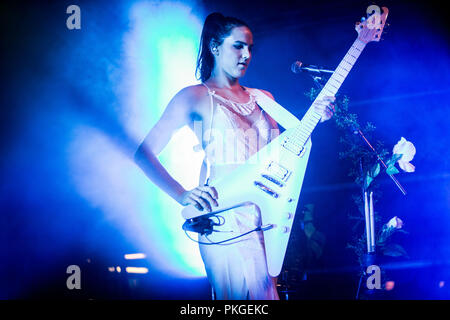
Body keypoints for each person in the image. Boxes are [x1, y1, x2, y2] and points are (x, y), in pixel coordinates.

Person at [134, 12, 335, 300]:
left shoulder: (265, 98)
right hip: (223, 219)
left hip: (267, 217)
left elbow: (283, 155)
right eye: (238, 46)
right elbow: (144, 154)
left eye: (250, 48)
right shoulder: (194, 97)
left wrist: (318, 119)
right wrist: (183, 195)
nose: (246, 54)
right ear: (215, 46)